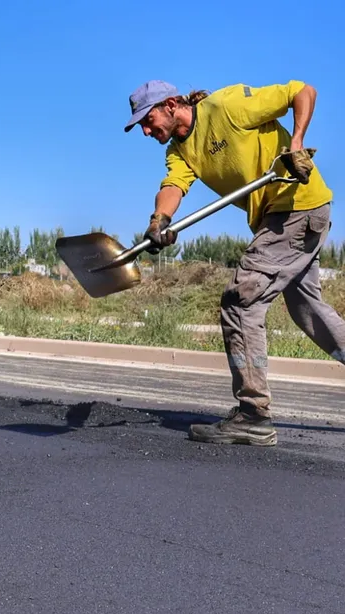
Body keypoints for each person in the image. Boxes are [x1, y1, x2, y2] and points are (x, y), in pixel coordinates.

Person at [125, 79, 340, 447]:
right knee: (309, 311)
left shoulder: (226, 107)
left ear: (172, 104)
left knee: (240, 301)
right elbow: (173, 186)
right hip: (281, 216)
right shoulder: (179, 149)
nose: (146, 130)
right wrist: (159, 221)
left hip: (296, 206)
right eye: (141, 126)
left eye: (148, 120)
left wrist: (297, 142)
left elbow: (303, 91)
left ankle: (253, 414)